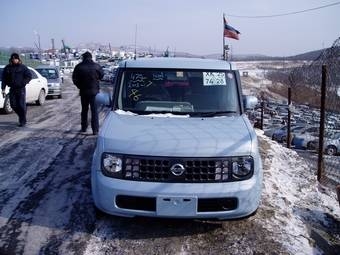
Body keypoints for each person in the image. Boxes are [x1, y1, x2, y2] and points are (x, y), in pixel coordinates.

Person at [72, 51, 104, 135]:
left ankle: (84, 127)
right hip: (94, 92)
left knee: (84, 110)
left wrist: (79, 86)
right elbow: (102, 76)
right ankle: (95, 130)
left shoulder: (79, 67)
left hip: (83, 91)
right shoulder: (96, 66)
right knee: (94, 111)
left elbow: (74, 79)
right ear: (91, 57)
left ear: (83, 57)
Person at [1, 53, 32, 127]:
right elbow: (4, 79)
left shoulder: (23, 67)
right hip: (12, 89)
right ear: (11, 59)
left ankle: (22, 121)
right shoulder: (8, 68)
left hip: (21, 89)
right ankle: (22, 115)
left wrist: (23, 82)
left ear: (18, 59)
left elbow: (29, 76)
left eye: (16, 59)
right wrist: (3, 89)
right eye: (13, 59)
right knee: (13, 105)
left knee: (21, 105)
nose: (14, 60)